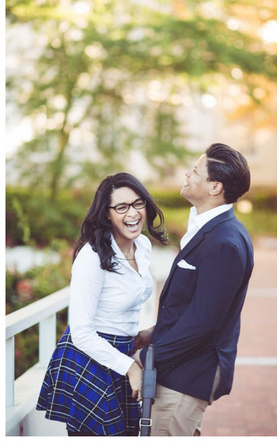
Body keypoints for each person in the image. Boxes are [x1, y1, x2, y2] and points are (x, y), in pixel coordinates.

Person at [136, 143, 254, 436]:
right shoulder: (211, 229)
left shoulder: (224, 242)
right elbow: (197, 306)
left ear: (215, 187)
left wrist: (147, 357)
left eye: (195, 170)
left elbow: (204, 322)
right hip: (184, 366)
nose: (187, 174)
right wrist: (154, 332)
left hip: (188, 374)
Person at [37, 173, 168, 436]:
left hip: (123, 351)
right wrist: (130, 367)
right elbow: (81, 332)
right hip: (89, 357)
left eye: (138, 203)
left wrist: (140, 338)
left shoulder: (141, 245)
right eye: (121, 207)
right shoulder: (92, 257)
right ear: (107, 214)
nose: (132, 213)